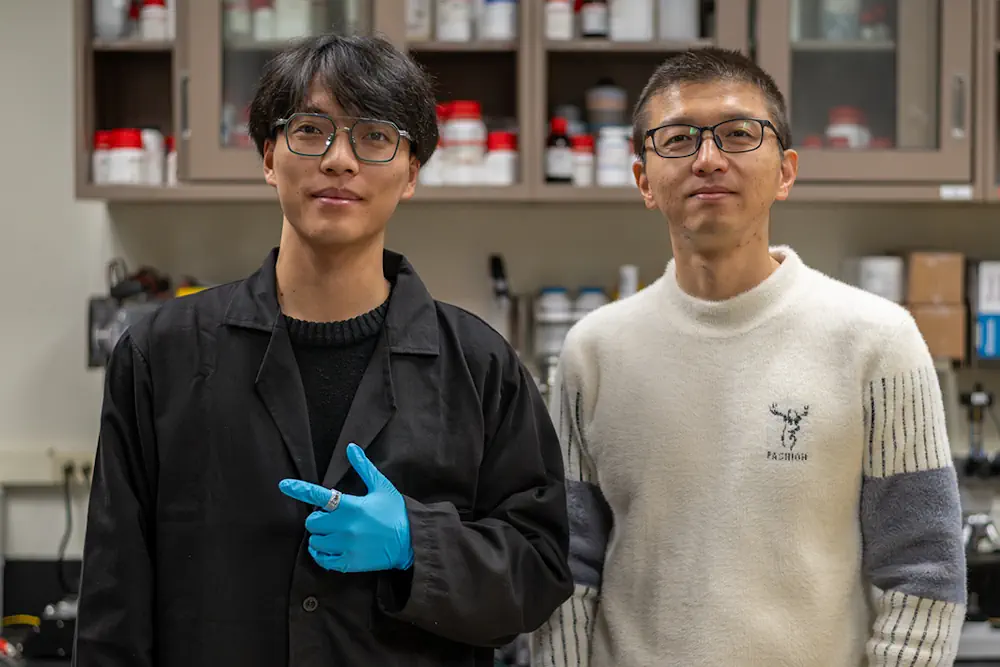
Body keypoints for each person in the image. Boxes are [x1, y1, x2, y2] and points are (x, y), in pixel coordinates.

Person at [74, 34, 573, 667]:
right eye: (311, 130)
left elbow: (539, 574)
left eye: (374, 137)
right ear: (267, 156)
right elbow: (112, 606)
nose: (339, 160)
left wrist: (418, 544)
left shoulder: (480, 368)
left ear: (412, 171)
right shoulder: (159, 356)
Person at [531, 47, 967, 667]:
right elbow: (567, 568)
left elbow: (923, 566)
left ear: (785, 171)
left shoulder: (877, 341)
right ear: (643, 180)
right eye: (677, 139)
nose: (709, 158)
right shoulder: (593, 352)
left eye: (739, 134)